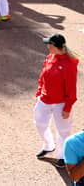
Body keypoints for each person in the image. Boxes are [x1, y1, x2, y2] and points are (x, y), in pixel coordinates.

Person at [34, 33, 78, 168]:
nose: (47, 46)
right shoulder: (50, 57)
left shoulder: (69, 65)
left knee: (63, 131)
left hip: (61, 103)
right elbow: (43, 76)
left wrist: (67, 108)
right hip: (44, 99)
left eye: (49, 44)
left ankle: (62, 156)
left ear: (55, 46)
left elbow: (71, 89)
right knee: (40, 124)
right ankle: (48, 146)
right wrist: (39, 91)